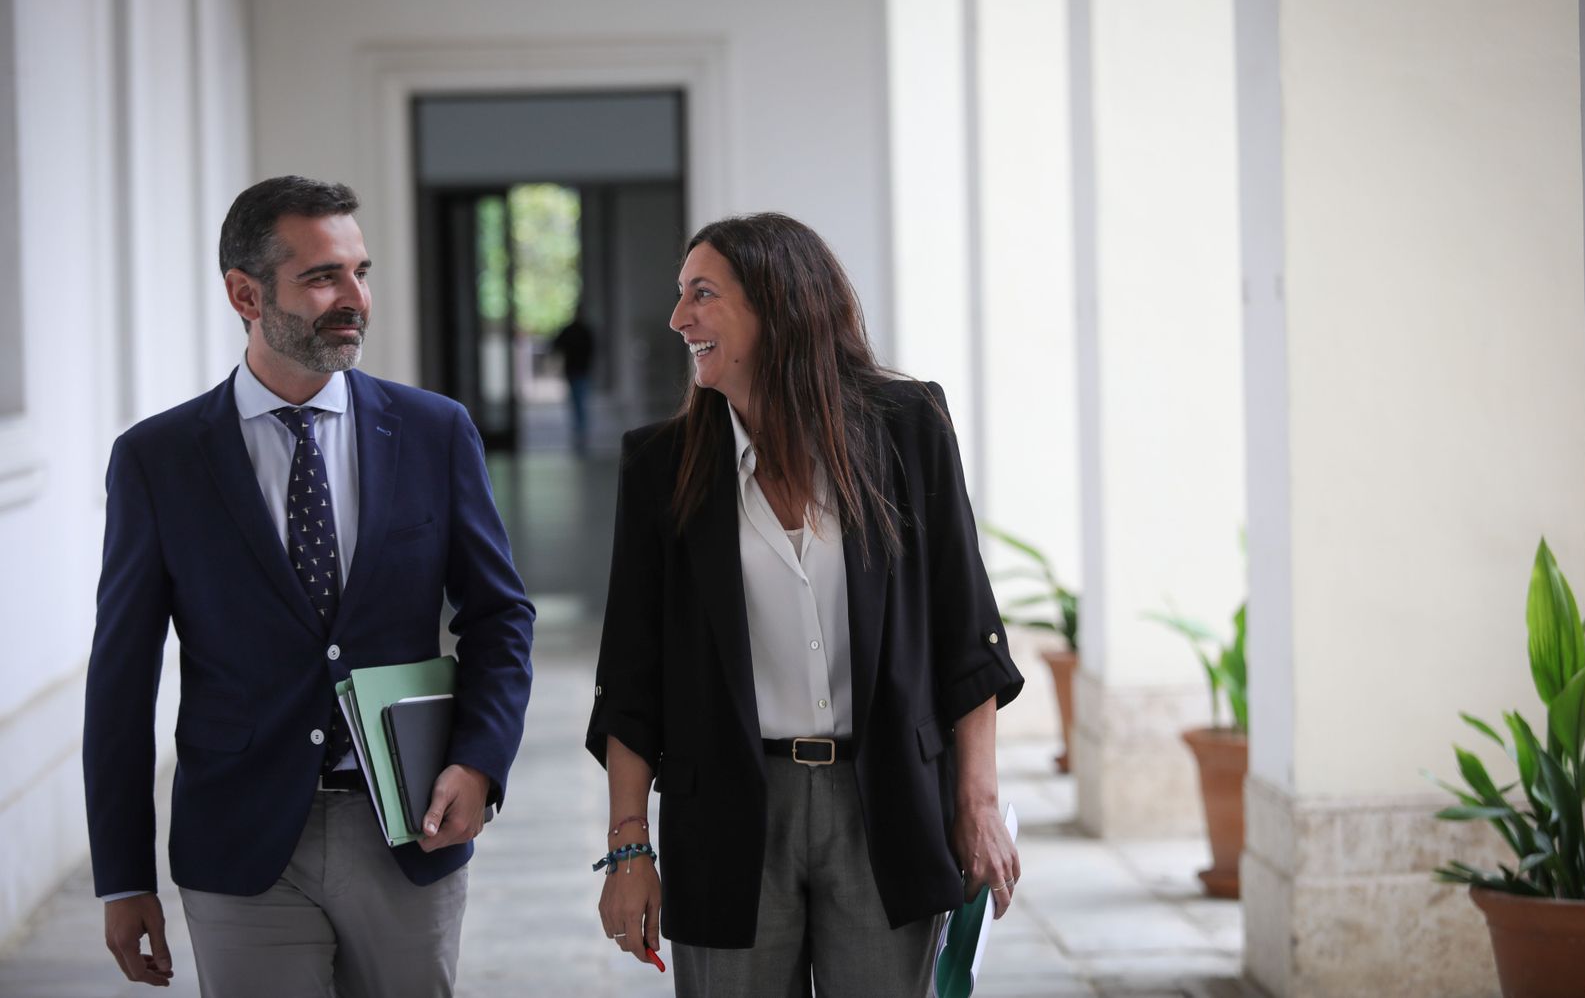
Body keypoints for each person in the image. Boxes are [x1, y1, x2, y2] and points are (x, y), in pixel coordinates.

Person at [83, 176, 535, 997]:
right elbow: (122, 675)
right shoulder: (160, 460)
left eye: (361, 272)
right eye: (324, 277)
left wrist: (479, 761)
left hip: (407, 830)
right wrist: (122, 875)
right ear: (244, 293)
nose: (354, 298)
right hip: (241, 840)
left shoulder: (434, 431)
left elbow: (500, 615)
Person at [585, 213, 1024, 996]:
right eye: (681, 295)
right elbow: (631, 679)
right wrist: (629, 849)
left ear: (778, 306)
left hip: (885, 799)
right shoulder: (660, 467)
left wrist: (978, 801)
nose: (679, 318)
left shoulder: (908, 429)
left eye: (702, 295)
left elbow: (966, 637)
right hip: (725, 809)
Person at [550, 314, 597, 453]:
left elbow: (557, 344)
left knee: (577, 399)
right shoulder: (584, 331)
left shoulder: (570, 330)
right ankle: (581, 428)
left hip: (573, 369)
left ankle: (579, 427)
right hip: (581, 369)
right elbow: (592, 348)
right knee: (580, 399)